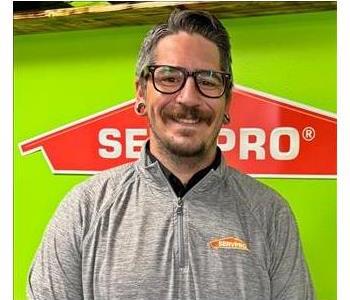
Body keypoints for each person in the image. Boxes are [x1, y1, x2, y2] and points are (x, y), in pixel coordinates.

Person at [27, 9, 314, 300]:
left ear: (227, 101)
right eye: (169, 77)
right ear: (141, 92)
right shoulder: (85, 210)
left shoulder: (270, 215)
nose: (188, 97)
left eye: (209, 80)